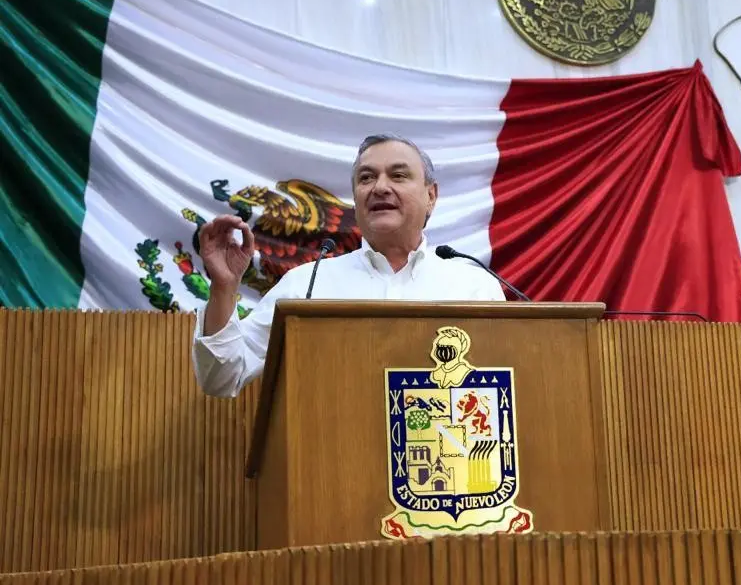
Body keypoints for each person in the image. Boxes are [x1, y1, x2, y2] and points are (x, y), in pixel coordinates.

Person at [192, 134, 506, 397]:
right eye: (366, 178)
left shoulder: (473, 286)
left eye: (398, 175)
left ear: (431, 196)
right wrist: (223, 288)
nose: (380, 187)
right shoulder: (307, 284)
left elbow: (507, 390)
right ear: (355, 199)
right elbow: (222, 378)